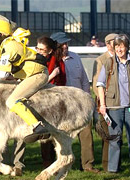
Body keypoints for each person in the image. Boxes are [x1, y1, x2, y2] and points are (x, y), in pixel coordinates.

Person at [0, 15, 50, 144]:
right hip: (29, 76)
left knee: (12, 101)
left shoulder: (10, 47)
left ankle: (38, 127)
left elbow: (3, 74)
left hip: (37, 75)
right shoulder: (1, 48)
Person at [51, 32, 99, 173]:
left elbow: (84, 79)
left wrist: (87, 98)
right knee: (58, 137)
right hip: (60, 106)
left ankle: (87, 165)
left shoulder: (75, 57)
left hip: (79, 104)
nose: (65, 46)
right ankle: (58, 165)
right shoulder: (52, 60)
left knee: (86, 133)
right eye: (62, 44)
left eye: (66, 43)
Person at [97, 34, 130, 173]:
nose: (119, 49)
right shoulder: (109, 63)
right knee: (115, 139)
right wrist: (103, 105)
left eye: (122, 46)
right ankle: (112, 169)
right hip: (114, 107)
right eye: (117, 46)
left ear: (127, 47)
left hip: (129, 107)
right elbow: (100, 84)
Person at [36, 36, 66, 168]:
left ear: (49, 51)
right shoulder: (35, 60)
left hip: (55, 99)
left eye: (42, 49)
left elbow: (62, 80)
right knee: (44, 131)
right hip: (40, 99)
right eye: (37, 48)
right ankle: (46, 161)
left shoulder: (57, 61)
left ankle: (60, 159)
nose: (38, 51)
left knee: (57, 130)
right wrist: (51, 76)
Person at [92, 33, 117, 172]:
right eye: (114, 42)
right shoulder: (101, 60)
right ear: (108, 44)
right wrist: (103, 102)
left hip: (121, 101)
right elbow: (96, 84)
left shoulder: (123, 57)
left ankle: (115, 162)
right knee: (108, 134)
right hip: (105, 103)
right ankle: (108, 165)